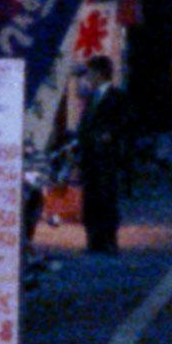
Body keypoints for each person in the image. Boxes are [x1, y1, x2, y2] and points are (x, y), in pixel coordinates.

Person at [74, 55, 129, 255]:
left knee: (107, 199)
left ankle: (109, 241)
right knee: (90, 199)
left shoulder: (117, 96)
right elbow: (85, 126)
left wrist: (109, 135)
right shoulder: (91, 97)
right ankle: (93, 241)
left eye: (90, 72)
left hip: (107, 158)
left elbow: (124, 124)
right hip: (90, 157)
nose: (88, 76)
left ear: (99, 73)